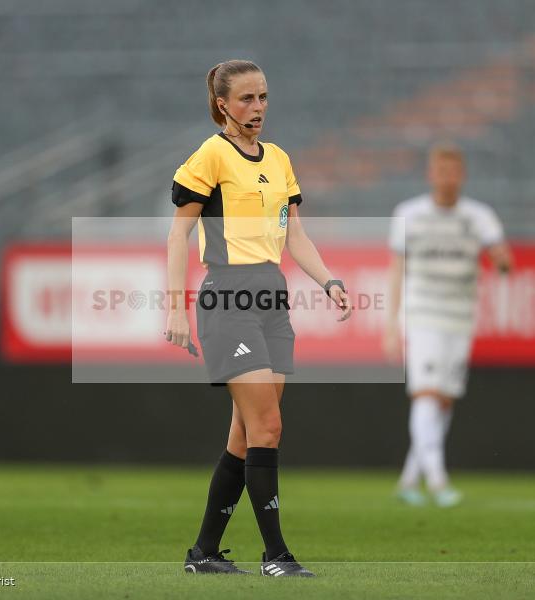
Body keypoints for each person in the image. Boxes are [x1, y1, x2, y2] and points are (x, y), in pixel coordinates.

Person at [166, 60, 352, 576]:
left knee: (246, 437)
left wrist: (329, 280)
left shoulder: (280, 160)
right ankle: (277, 555)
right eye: (246, 99)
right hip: (227, 297)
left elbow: (294, 235)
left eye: (263, 98)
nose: (257, 109)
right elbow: (178, 234)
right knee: (267, 424)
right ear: (223, 105)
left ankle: (203, 553)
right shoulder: (211, 155)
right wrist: (172, 306)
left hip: (272, 296)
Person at [383, 142, 513, 507]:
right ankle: (438, 482)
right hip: (422, 312)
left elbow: (502, 256)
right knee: (425, 392)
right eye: (440, 171)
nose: (446, 177)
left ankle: (409, 480)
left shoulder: (479, 216)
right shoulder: (408, 214)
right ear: (430, 174)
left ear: (462, 175)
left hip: (460, 317)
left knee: (443, 398)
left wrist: (503, 261)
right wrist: (391, 325)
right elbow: (396, 273)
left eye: (453, 171)